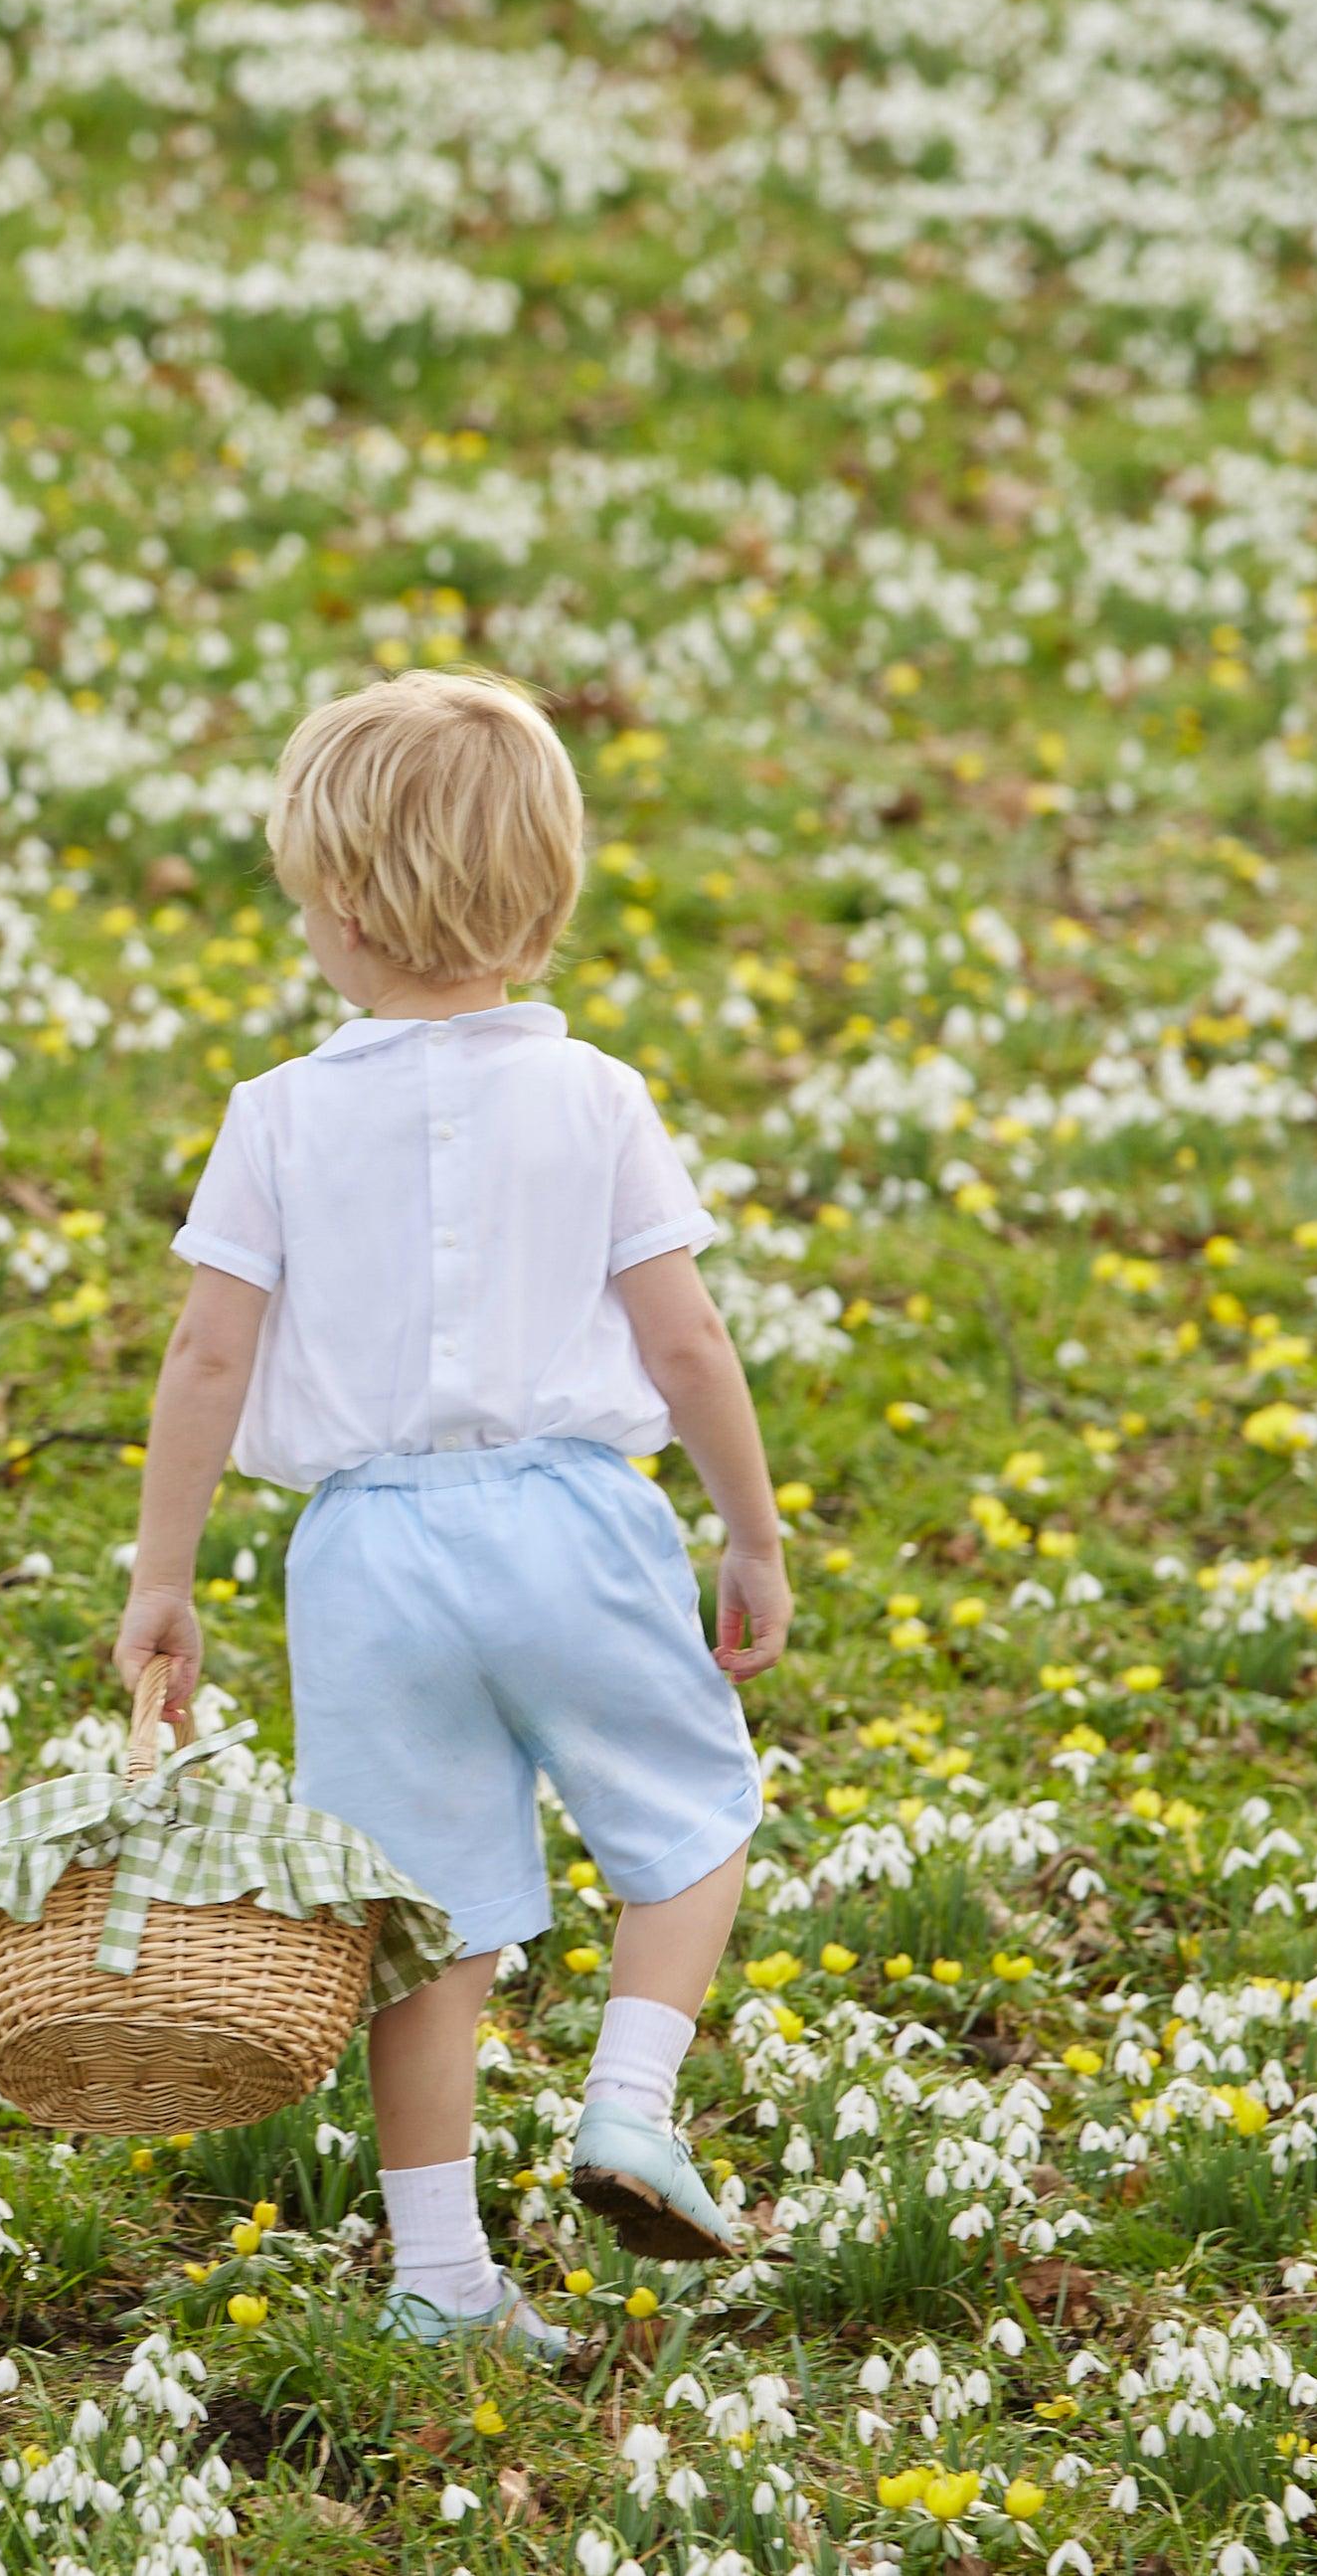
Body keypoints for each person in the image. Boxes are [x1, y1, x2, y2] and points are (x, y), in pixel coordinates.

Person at [113, 669, 791, 2359]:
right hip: (574, 1521)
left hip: (363, 1556)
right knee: (695, 1816)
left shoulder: (275, 1116)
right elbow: (685, 1337)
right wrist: (753, 1530)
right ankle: (631, 2102)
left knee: (424, 1918)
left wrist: (165, 1578)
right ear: (543, 901)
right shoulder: (598, 1099)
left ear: (337, 910)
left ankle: (439, 2280)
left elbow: (207, 1359)